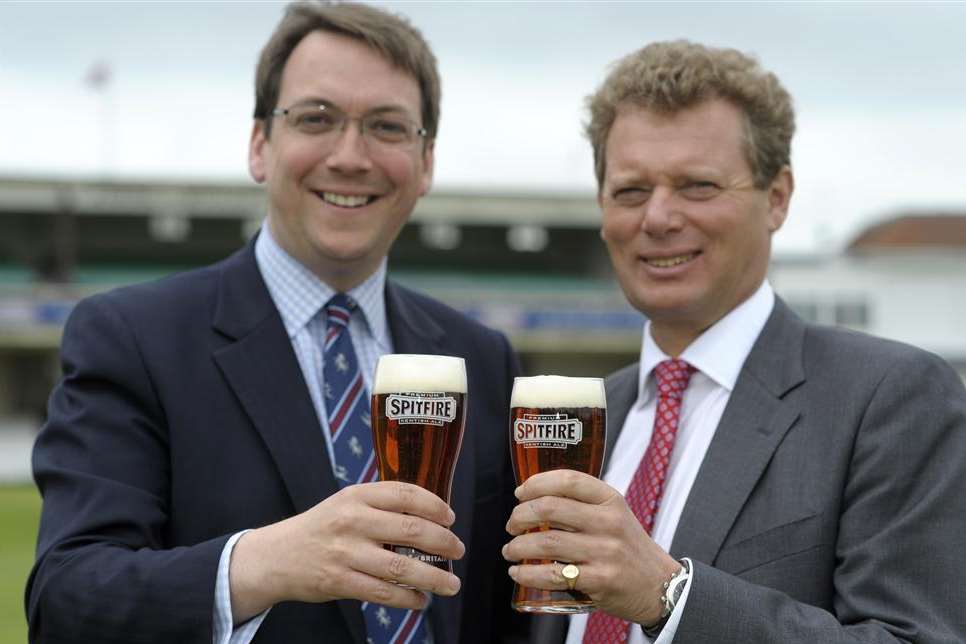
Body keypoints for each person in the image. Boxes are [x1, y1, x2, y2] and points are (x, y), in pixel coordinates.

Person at [26, 3, 527, 643]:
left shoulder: (481, 357)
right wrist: (263, 564)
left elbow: (499, 613)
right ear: (260, 145)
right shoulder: (132, 338)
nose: (351, 156)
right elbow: (66, 600)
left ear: (426, 162)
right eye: (316, 118)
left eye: (388, 126)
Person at [505, 40, 966, 644]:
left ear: (777, 198)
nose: (660, 218)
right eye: (631, 191)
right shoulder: (584, 417)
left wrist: (670, 597)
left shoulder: (889, 399)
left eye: (697, 186)